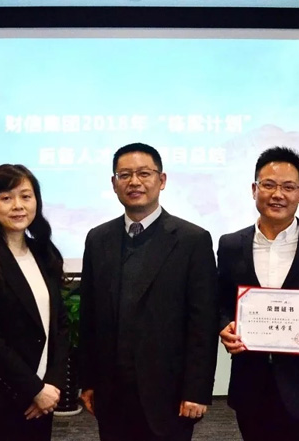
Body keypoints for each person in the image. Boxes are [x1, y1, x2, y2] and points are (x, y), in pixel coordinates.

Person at [78, 142, 219, 441]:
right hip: (112, 393)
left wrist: (197, 390)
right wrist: (88, 381)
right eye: (125, 175)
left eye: (144, 173)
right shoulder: (98, 239)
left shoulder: (192, 240)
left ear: (161, 180)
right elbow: (90, 317)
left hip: (169, 394)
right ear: (114, 183)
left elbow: (202, 323)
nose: (134, 182)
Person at [218, 147, 299, 441]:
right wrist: (224, 325)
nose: (278, 194)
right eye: (269, 185)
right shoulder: (230, 245)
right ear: (254, 189)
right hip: (251, 384)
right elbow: (221, 302)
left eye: (288, 187)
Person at [0, 164, 69, 441]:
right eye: (6, 198)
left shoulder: (43, 252)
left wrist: (52, 384)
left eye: (26, 196)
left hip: (44, 396)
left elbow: (60, 325)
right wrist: (34, 389)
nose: (18, 206)